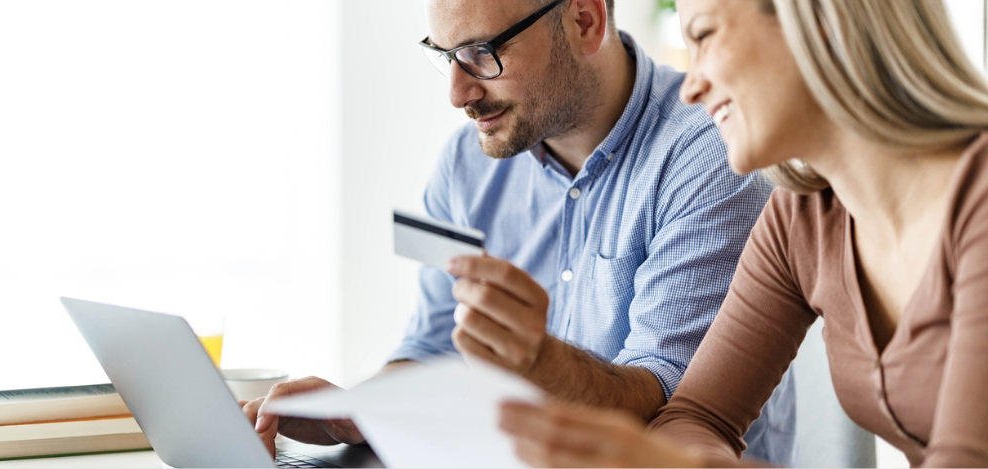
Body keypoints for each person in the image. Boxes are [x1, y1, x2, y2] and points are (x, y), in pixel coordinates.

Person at [242, 0, 796, 464]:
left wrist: (542, 366)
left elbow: (672, 406)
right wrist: (354, 414)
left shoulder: (713, 151)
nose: (458, 94)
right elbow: (431, 348)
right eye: (445, 57)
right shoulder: (466, 162)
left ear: (584, 21)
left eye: (483, 53)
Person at [497, 0, 988, 466]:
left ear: (815, 22)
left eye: (706, 36)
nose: (690, 88)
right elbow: (695, 415)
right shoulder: (802, 218)